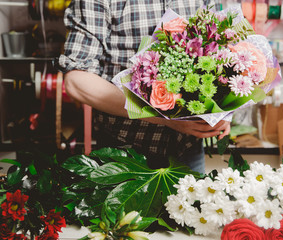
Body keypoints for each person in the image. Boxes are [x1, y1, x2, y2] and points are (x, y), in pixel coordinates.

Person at [55, 0, 231, 173]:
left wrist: (223, 110)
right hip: (124, 154)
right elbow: (77, 80)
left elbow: (217, 49)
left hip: (187, 150)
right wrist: (164, 117)